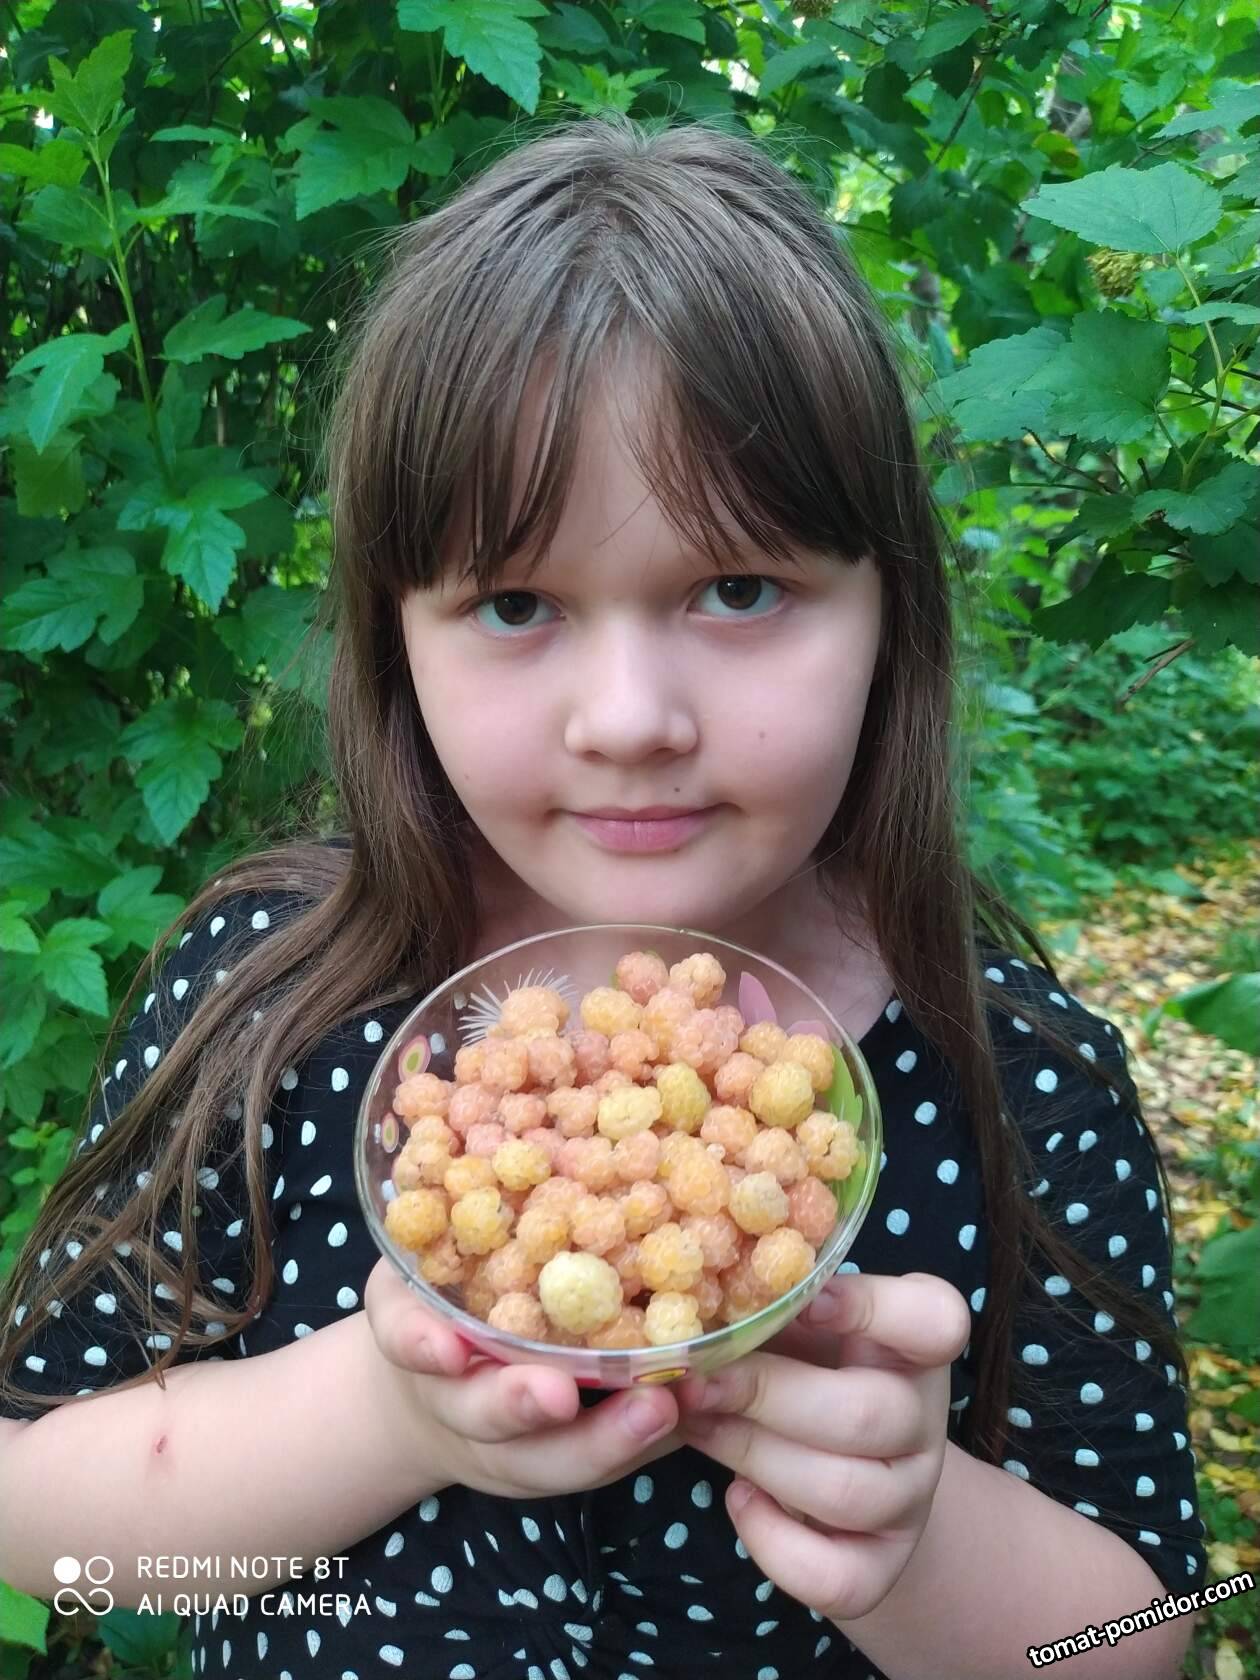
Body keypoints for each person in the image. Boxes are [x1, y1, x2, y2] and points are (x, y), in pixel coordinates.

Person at [0, 113, 1203, 1680]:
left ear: (891, 614)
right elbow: (39, 1522)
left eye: (739, 589)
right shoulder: (266, 1001)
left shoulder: (1024, 1086)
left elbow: (1145, 1635)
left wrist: (915, 1540)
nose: (629, 719)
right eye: (516, 604)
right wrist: (382, 1414)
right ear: (394, 639)